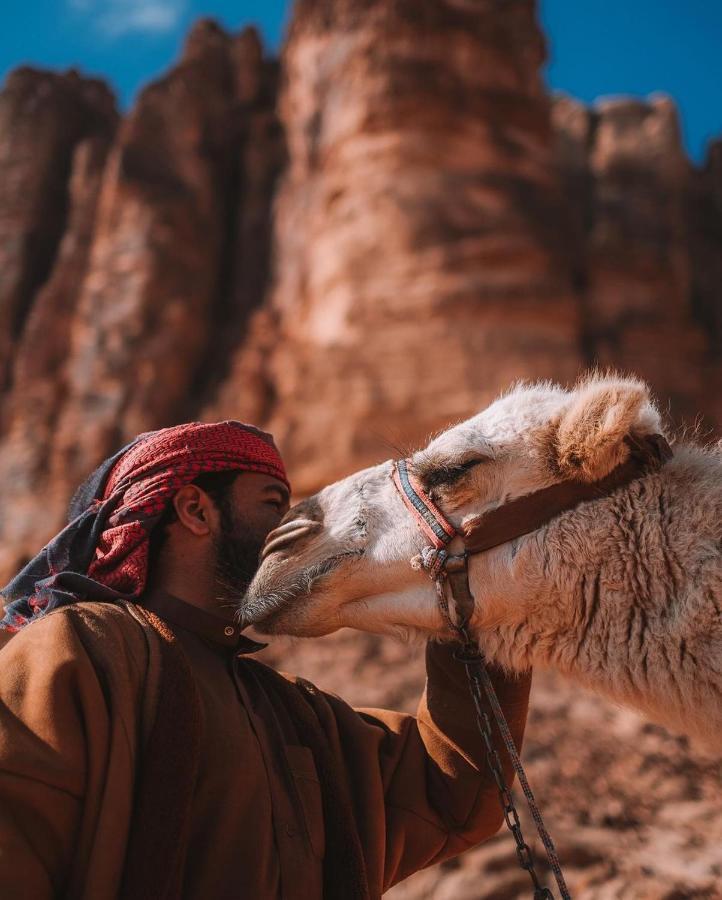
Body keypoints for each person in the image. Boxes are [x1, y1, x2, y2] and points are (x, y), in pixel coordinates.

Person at [0, 421, 531, 900]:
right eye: (274, 504)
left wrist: (479, 599)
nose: (292, 526)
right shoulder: (80, 648)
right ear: (196, 510)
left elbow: (452, 793)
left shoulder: (293, 711)